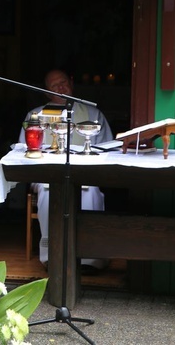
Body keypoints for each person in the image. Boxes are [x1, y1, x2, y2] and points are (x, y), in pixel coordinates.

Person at [19, 69, 113, 271]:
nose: (61, 88)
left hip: (85, 173)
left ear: (72, 82)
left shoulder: (92, 113)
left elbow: (107, 146)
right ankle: (51, 257)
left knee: (91, 192)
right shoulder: (36, 115)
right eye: (54, 86)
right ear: (46, 92)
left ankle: (89, 259)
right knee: (46, 191)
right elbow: (24, 148)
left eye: (63, 83)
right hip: (46, 174)